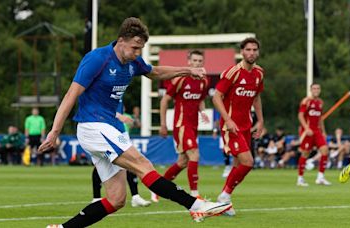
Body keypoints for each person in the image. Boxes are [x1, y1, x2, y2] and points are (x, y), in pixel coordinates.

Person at [40, 17, 231, 228]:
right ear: (121, 40)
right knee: (143, 165)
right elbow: (71, 95)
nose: (137, 53)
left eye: (140, 48)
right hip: (93, 125)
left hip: (108, 127)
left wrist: (187, 71)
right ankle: (195, 205)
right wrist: (54, 131)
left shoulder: (133, 62)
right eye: (134, 47)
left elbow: (155, 72)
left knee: (116, 199)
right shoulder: (97, 58)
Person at [213, 37, 264, 216]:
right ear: (242, 51)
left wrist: (260, 120)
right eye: (248, 49)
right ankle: (224, 197)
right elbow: (216, 97)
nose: (251, 53)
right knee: (248, 162)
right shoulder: (232, 72)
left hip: (246, 126)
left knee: (237, 164)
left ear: (258, 52)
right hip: (231, 126)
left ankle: (223, 202)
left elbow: (256, 97)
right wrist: (227, 120)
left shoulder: (259, 73)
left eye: (254, 50)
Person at [157, 50, 209, 200]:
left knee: (183, 162)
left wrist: (203, 112)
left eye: (200, 61)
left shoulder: (203, 81)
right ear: (189, 62)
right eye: (194, 61)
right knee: (195, 154)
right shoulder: (180, 80)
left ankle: (158, 189)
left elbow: (200, 99)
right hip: (181, 125)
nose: (197, 63)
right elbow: (164, 100)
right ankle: (194, 195)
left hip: (193, 126)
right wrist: (163, 124)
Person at [92, 110, 151, 207]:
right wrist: (118, 115)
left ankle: (135, 196)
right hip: (105, 129)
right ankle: (96, 197)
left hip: (121, 131)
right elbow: (99, 107)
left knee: (130, 161)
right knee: (102, 162)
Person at [297, 83, 331, 186]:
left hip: (317, 131)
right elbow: (300, 115)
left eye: (318, 88)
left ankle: (320, 177)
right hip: (308, 131)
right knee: (305, 153)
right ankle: (300, 178)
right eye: (314, 88)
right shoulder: (306, 101)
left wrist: (323, 131)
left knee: (325, 150)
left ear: (320, 90)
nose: (316, 90)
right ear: (311, 90)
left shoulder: (320, 102)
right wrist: (306, 128)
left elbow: (320, 118)